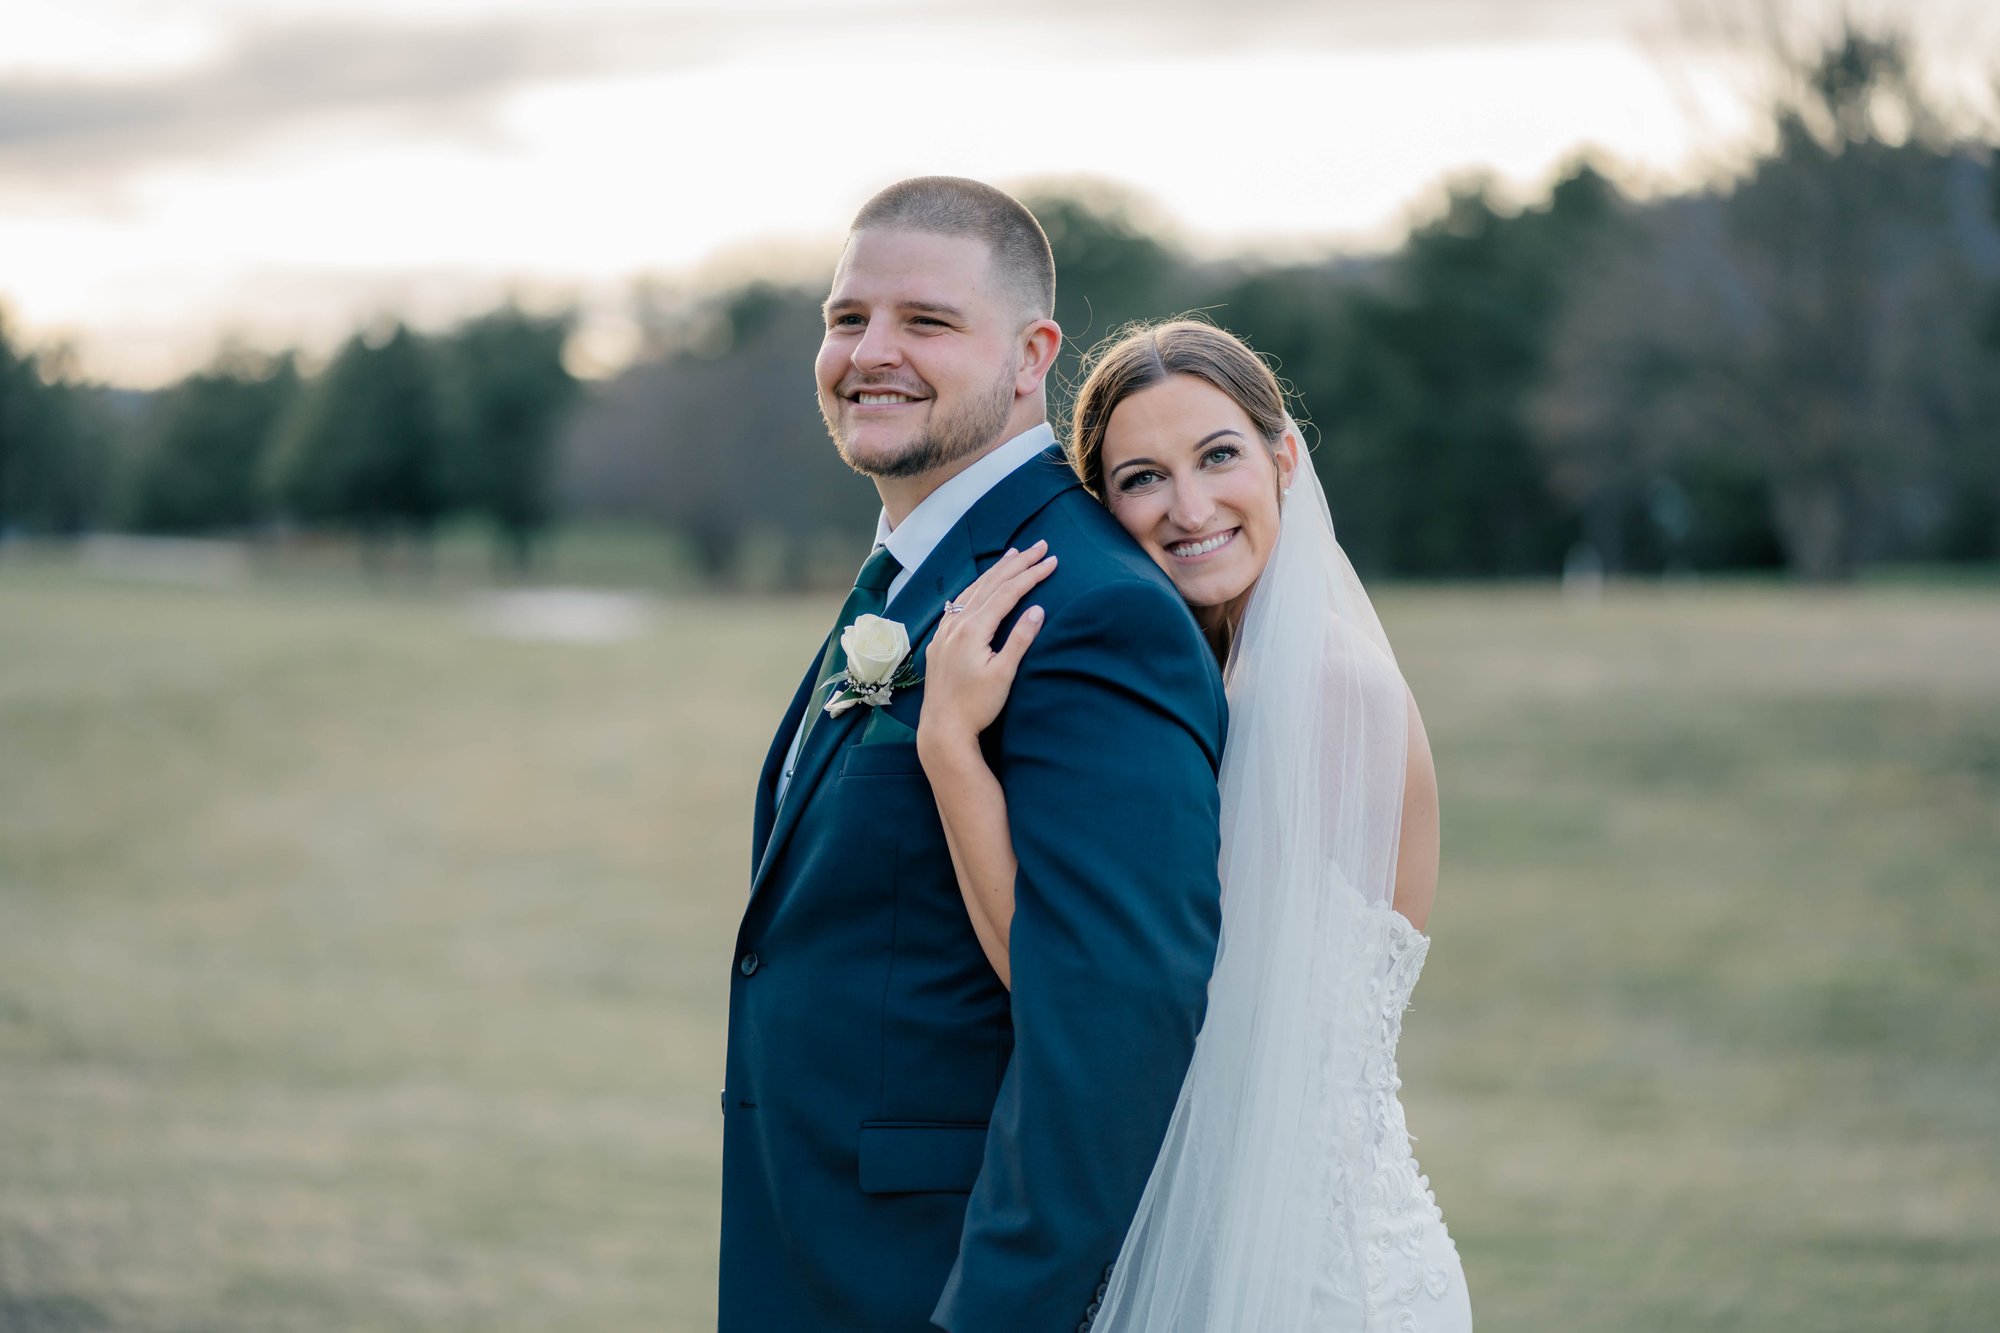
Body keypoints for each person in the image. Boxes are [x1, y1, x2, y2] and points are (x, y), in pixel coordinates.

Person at [719, 180, 1227, 1332]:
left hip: (936, 1283)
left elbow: (1112, 1031)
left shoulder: (1089, 606)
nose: (869, 353)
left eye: (926, 322)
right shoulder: (917, 572)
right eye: (846, 318)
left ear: (1028, 353)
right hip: (816, 1258)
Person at [919, 319, 1472, 1330]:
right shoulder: (1235, 680)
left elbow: (1096, 989)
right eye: (1140, 478)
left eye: (1217, 455)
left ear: (1282, 459)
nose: (1187, 506)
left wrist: (950, 753)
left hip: (1302, 1273)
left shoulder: (1317, 687)